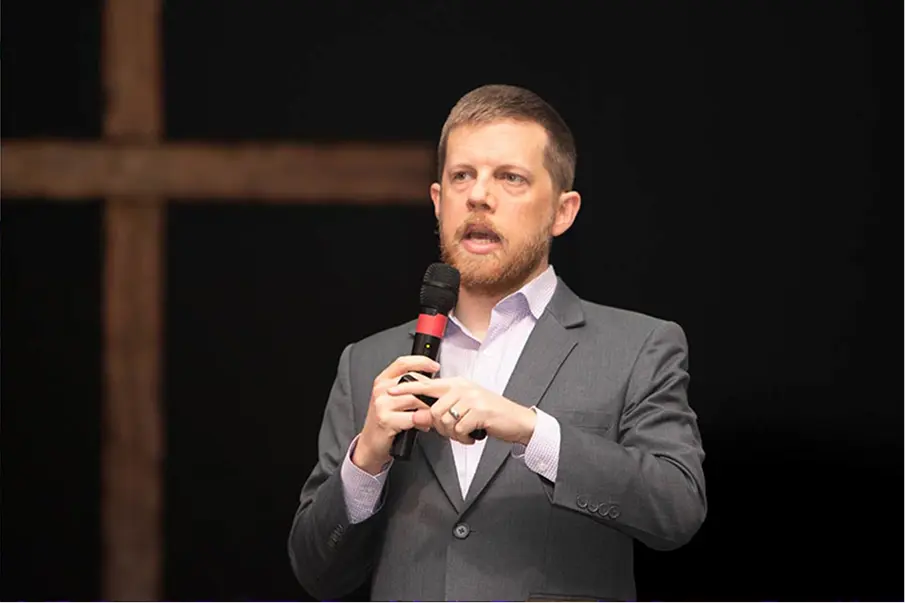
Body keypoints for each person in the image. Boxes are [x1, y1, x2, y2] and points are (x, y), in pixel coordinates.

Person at [288, 84, 707, 602]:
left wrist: (533, 431)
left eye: (510, 178)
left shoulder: (639, 346)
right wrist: (366, 461)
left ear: (563, 211)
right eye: (462, 176)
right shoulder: (368, 362)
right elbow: (315, 570)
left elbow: (677, 509)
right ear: (438, 202)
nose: (479, 196)